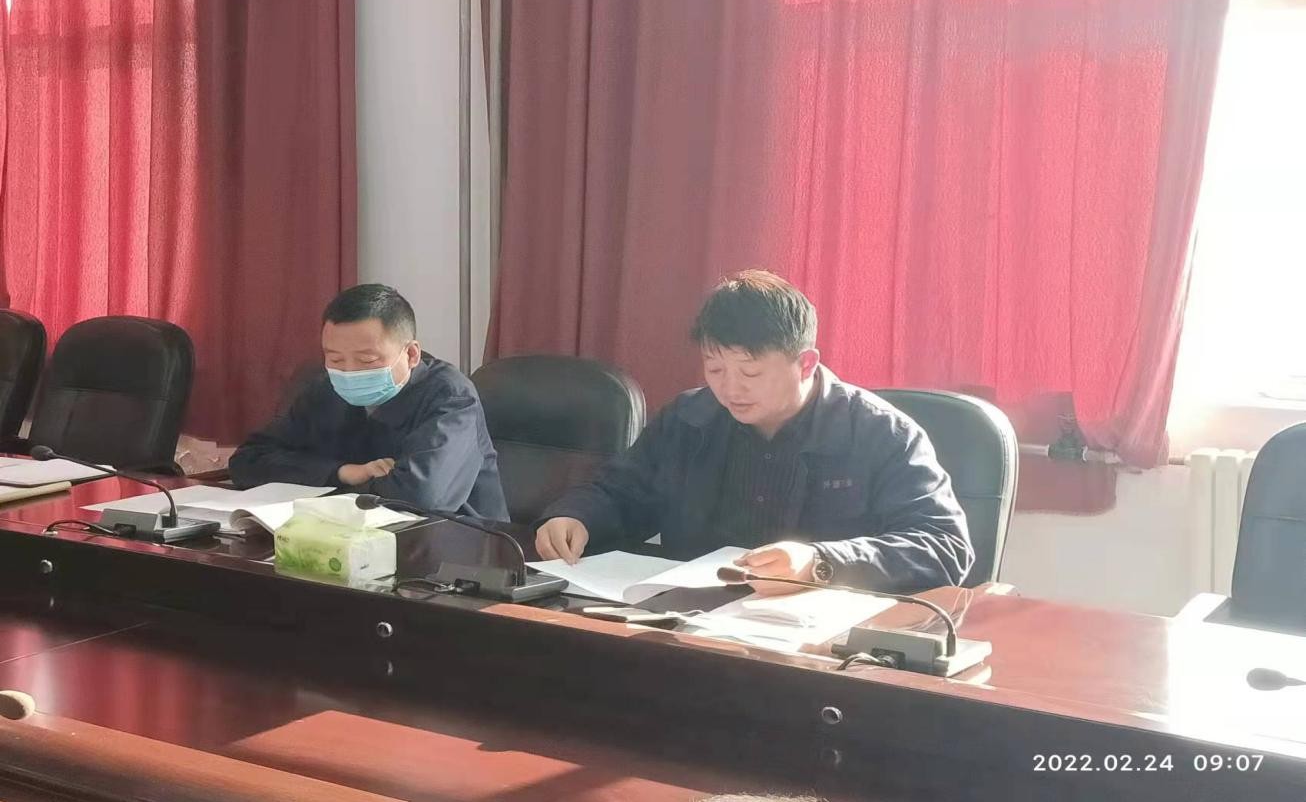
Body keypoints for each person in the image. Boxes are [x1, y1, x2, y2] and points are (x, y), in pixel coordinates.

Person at [535, 270, 972, 594]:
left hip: (823, 645)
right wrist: (576, 516)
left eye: (750, 372)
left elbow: (944, 547)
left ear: (805, 364)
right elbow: (622, 492)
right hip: (693, 624)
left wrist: (820, 562)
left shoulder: (881, 433)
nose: (730, 389)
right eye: (715, 369)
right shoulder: (690, 419)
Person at [230, 283, 508, 519]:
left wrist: (315, 480)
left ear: (411, 354)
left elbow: (420, 498)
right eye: (335, 358)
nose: (349, 372)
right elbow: (248, 461)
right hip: (345, 540)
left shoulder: (450, 396)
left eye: (366, 360)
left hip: (458, 548)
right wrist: (343, 473)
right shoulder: (326, 389)